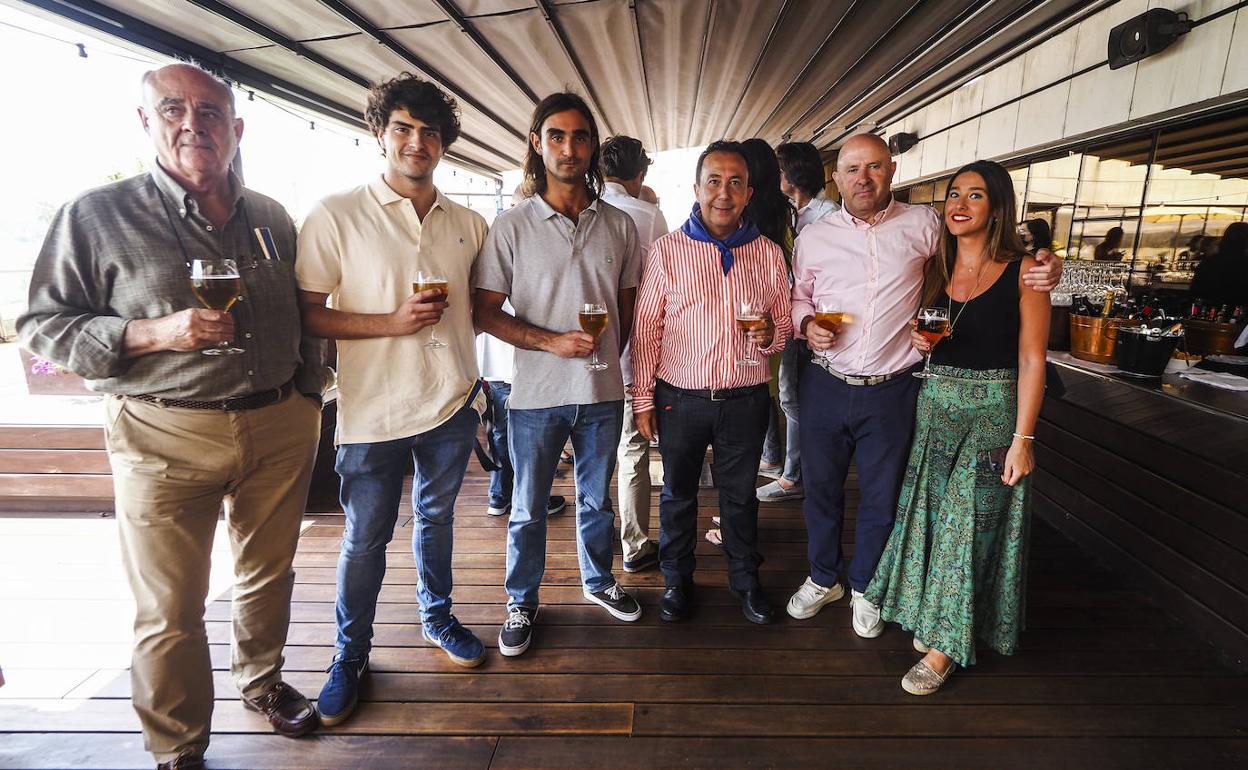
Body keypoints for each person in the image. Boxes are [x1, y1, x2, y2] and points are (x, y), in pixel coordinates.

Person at [18, 62, 330, 769]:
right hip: (163, 432)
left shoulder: (273, 218)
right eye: (174, 110)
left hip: (279, 424)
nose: (195, 125)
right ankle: (179, 747)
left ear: (236, 128)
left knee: (268, 574)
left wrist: (310, 390)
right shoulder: (97, 216)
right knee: (169, 609)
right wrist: (153, 333)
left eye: (212, 113)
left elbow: (306, 313)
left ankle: (263, 682)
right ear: (146, 121)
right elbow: (41, 323)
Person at [786, 133, 1061, 635]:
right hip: (825, 383)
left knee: (881, 495)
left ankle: (867, 585)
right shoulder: (814, 237)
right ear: (837, 177)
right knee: (820, 490)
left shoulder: (927, 225)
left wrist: (1044, 263)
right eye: (851, 169)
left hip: (896, 387)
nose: (862, 178)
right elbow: (798, 298)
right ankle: (824, 576)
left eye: (872, 167)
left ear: (891, 170)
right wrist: (806, 325)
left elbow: (986, 255)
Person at [296, 73, 489, 726]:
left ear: (444, 143)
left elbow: (485, 309)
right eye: (403, 128)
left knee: (437, 522)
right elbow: (309, 314)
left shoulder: (468, 221)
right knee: (365, 538)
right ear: (380, 134)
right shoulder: (335, 213)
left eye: (429, 131)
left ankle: (437, 617)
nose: (416, 142)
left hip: (451, 405)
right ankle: (349, 656)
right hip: (372, 409)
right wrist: (390, 322)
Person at [864, 159, 1049, 695]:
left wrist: (1024, 439)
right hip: (936, 406)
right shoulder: (935, 269)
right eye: (954, 194)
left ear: (997, 209)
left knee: (967, 526)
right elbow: (923, 335)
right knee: (929, 519)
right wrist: (923, 343)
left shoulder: (1027, 272)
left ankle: (944, 650)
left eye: (975, 196)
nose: (959, 205)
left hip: (994, 412)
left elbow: (1034, 360)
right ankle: (939, 618)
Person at [474, 92, 644, 657]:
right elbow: (484, 311)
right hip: (535, 395)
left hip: (601, 391)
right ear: (536, 143)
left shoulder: (619, 225)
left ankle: (598, 582)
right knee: (526, 507)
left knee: (597, 501)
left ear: (593, 146)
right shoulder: (511, 226)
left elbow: (629, 307)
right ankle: (521, 600)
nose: (569, 148)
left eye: (580, 137)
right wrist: (550, 341)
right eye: (556, 136)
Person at [631, 140, 793, 625]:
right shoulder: (666, 251)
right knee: (678, 494)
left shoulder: (766, 252)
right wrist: (642, 400)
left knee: (739, 497)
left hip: (745, 399)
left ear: (748, 193)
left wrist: (770, 333)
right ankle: (677, 582)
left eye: (735, 183)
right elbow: (646, 331)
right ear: (698, 189)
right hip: (679, 398)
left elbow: (784, 323)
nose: (724, 193)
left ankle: (746, 581)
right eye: (714, 181)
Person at [600, 134, 670, 573]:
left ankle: (598, 536)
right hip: (632, 353)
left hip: (583, 352)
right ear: (639, 173)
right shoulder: (648, 217)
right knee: (632, 450)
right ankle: (635, 544)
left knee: (594, 454)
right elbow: (664, 284)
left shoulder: (585, 212)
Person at [756, 141, 839, 505]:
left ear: (791, 175)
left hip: (815, 322)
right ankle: (785, 466)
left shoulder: (827, 214)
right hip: (794, 316)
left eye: (779, 170)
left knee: (793, 396)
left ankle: (794, 476)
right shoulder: (793, 212)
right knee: (786, 393)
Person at [477, 313, 568, 519]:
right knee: (531, 436)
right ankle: (532, 500)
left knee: (501, 430)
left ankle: (499, 496)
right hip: (526, 356)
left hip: (495, 357)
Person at [1189, 222, 1248, 311]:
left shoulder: (1208, 263)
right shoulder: (1243, 264)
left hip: (1206, 313)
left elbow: (1195, 292)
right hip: (1237, 316)